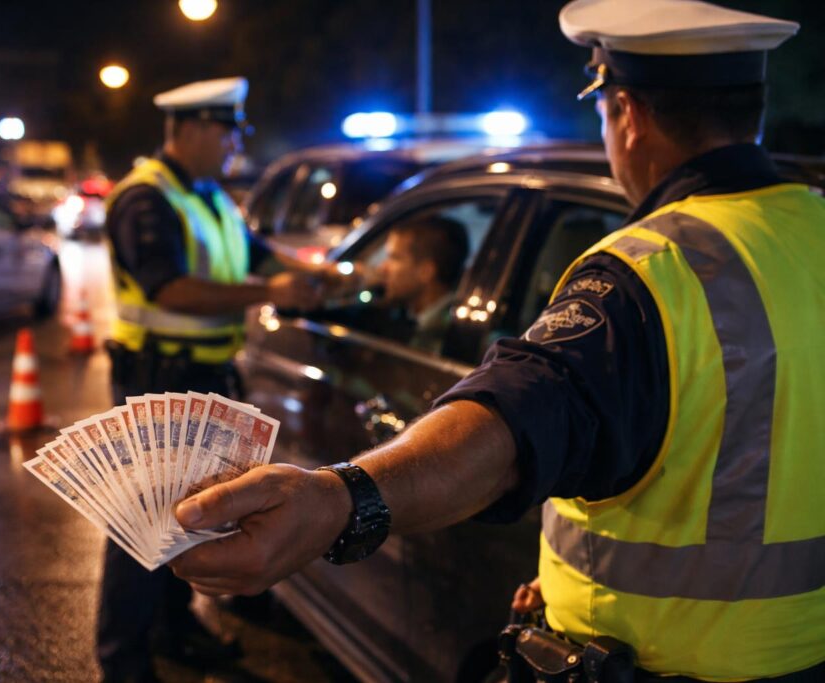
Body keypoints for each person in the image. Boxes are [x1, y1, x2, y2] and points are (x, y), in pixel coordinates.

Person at [168, 2, 825, 680]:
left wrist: (339, 498)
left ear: (626, 112)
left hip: (662, 663)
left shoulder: (652, 268)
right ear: (756, 109)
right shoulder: (813, 225)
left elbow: (516, 416)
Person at [98, 76, 328, 683]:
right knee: (143, 528)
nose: (233, 145)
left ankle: (175, 632)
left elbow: (259, 256)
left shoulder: (212, 198)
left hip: (207, 379)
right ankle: (123, 660)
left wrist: (320, 273)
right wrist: (268, 291)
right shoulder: (144, 199)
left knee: (191, 518)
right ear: (194, 127)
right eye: (227, 131)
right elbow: (168, 288)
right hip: (160, 380)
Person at [376, 216, 468, 354]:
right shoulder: (406, 316)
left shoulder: (451, 336)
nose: (382, 268)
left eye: (395, 258)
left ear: (426, 271)